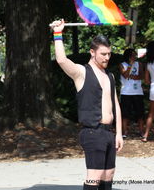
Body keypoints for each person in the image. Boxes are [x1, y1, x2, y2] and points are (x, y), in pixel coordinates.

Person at [51, 19, 123, 190]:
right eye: (103, 54)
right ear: (92, 52)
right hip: (92, 132)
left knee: (108, 175)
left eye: (109, 54)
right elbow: (61, 60)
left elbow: (116, 105)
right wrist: (57, 34)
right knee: (94, 178)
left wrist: (119, 133)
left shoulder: (109, 76)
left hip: (108, 133)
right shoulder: (82, 72)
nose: (107, 58)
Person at [119, 48, 145, 138]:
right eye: (133, 55)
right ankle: (124, 132)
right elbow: (125, 75)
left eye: (135, 55)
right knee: (125, 113)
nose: (135, 57)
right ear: (128, 56)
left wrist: (133, 76)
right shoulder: (122, 65)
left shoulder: (139, 64)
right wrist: (130, 65)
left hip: (138, 92)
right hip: (126, 92)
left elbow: (142, 76)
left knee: (140, 113)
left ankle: (141, 131)